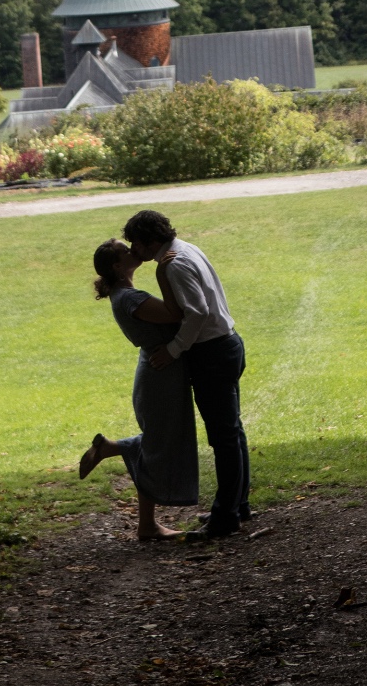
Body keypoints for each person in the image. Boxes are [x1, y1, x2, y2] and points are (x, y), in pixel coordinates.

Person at [123, 209, 250, 539]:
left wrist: (174, 349)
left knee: (223, 437)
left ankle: (226, 519)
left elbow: (197, 313)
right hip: (225, 345)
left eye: (136, 244)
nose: (134, 251)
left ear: (150, 240)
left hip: (212, 353)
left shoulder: (175, 263)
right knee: (232, 433)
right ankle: (237, 505)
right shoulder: (186, 249)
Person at [78, 237, 200, 541]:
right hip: (159, 379)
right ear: (118, 267)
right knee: (158, 448)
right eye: (125, 250)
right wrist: (162, 273)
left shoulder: (126, 294)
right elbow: (176, 314)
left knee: (160, 442)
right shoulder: (130, 299)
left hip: (161, 373)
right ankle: (146, 525)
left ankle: (110, 448)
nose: (133, 250)